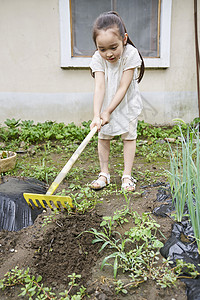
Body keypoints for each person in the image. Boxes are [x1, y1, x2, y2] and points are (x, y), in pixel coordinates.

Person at [89, 11, 144, 192]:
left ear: (124, 39)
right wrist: (97, 114)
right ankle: (104, 174)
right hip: (107, 104)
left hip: (126, 103)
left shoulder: (131, 54)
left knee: (129, 137)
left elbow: (123, 86)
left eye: (113, 47)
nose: (108, 54)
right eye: (102, 49)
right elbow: (99, 87)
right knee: (103, 136)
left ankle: (127, 176)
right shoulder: (98, 58)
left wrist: (108, 111)